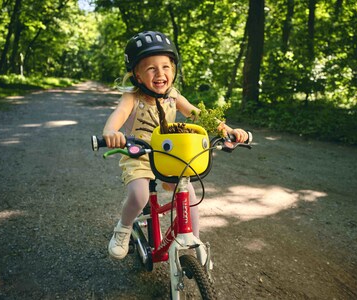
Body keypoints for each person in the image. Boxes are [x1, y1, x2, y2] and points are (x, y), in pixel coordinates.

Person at [103, 31, 248, 260]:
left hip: (168, 155)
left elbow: (199, 115)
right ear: (137, 75)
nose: (160, 73)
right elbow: (118, 115)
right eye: (151, 68)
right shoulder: (132, 97)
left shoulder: (173, 95)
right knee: (140, 196)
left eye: (166, 66)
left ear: (173, 70)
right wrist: (111, 133)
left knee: (188, 191)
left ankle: (195, 239)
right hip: (139, 154)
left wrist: (227, 130)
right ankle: (123, 227)